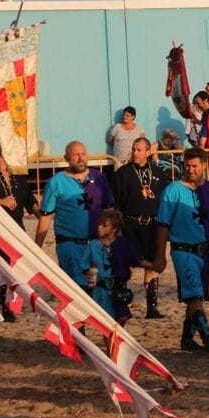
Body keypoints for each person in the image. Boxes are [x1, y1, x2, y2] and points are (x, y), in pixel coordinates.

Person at [152, 147, 209, 353]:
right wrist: (160, 256)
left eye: (194, 166)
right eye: (187, 165)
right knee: (195, 295)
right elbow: (163, 225)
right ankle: (208, 337)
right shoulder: (172, 191)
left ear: (204, 166)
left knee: (195, 295)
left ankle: (186, 339)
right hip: (182, 250)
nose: (190, 169)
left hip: (205, 250)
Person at [35, 141, 115, 288]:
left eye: (83, 154)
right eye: (75, 154)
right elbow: (46, 217)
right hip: (70, 246)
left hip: (96, 246)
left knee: (98, 288)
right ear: (66, 158)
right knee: (79, 290)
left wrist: (114, 241)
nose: (80, 158)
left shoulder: (99, 178)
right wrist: (36, 249)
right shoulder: (56, 182)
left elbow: (109, 212)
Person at [0, 139, 38, 321]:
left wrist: (38, 210)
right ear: (3, 153)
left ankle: (6, 304)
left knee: (13, 270)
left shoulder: (16, 177)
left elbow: (28, 199)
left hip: (17, 231)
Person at [112, 136, 170, 319]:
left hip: (153, 225)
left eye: (139, 150)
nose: (135, 153)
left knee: (153, 264)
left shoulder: (159, 173)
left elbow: (165, 201)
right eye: (134, 149)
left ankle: (151, 307)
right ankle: (120, 303)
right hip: (130, 225)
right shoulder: (123, 173)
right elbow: (115, 203)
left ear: (148, 152)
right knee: (126, 265)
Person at [85, 208, 145, 327]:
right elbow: (91, 267)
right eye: (99, 224)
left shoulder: (122, 243)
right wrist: (91, 286)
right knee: (107, 321)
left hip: (118, 288)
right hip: (101, 289)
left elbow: (135, 260)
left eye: (104, 225)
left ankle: (114, 343)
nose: (99, 227)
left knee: (122, 317)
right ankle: (112, 346)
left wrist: (154, 265)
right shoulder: (93, 245)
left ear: (114, 228)